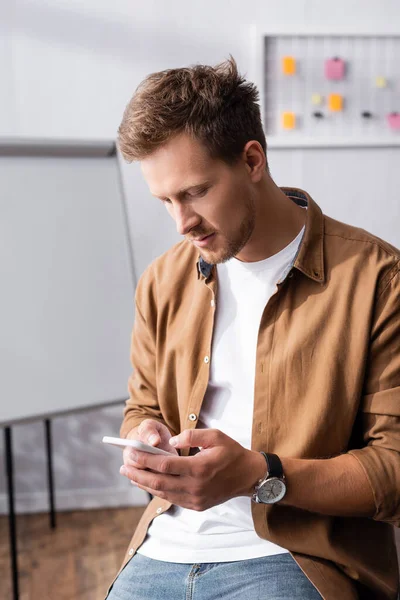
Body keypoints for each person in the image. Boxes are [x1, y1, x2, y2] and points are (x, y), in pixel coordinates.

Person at [105, 56, 400, 600]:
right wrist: (144, 438)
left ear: (252, 159)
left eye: (195, 192)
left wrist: (257, 473)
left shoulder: (378, 279)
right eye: (166, 200)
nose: (182, 223)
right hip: (164, 549)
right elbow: (142, 407)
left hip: (296, 556)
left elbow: (393, 469)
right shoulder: (162, 282)